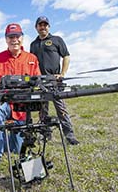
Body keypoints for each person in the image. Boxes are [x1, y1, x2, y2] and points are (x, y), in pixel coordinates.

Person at [0, 23, 41, 175]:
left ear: (22, 38)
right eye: (11, 37)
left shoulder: (32, 58)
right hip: (4, 104)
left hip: (22, 109)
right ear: (6, 39)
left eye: (17, 36)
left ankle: (11, 146)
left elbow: (39, 83)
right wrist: (1, 83)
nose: (15, 40)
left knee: (16, 148)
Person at [30, 16, 79, 145]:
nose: (43, 27)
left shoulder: (57, 40)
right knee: (42, 111)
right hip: (40, 82)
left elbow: (66, 56)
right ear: (36, 27)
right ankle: (46, 135)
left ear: (49, 27)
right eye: (40, 25)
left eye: (45, 25)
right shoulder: (33, 44)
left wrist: (62, 73)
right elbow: (31, 63)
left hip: (54, 81)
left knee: (61, 110)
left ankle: (70, 136)